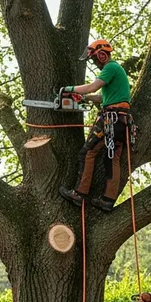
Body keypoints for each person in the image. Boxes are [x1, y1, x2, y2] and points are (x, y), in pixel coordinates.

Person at [59, 39, 133, 212]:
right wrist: (84, 98)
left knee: (88, 152)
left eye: (94, 59)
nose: (94, 62)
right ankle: (108, 200)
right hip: (121, 120)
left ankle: (79, 193)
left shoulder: (111, 67)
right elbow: (100, 97)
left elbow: (92, 87)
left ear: (102, 55)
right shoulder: (116, 71)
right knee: (112, 159)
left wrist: (68, 89)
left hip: (111, 118)